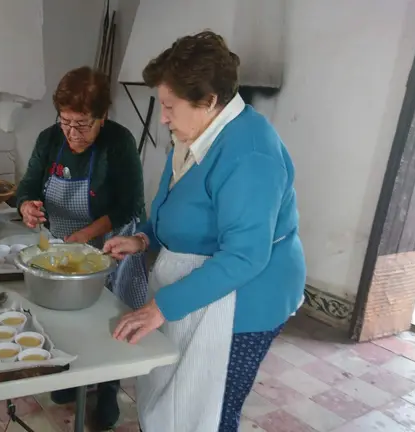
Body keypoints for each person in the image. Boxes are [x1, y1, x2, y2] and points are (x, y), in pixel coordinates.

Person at [104, 31, 306, 432]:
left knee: (209, 410)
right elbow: (178, 205)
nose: (162, 117)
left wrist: (161, 307)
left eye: (168, 106)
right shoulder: (194, 132)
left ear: (209, 101)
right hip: (197, 286)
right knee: (171, 392)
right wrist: (145, 238)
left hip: (245, 301)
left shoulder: (250, 154)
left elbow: (246, 256)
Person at [16, 66, 147, 429]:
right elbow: (27, 185)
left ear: (102, 117)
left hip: (112, 244)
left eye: (83, 124)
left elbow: (129, 204)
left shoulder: (118, 143)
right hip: (62, 242)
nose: (73, 133)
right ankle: (72, 375)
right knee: (67, 315)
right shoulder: (48, 140)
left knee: (108, 320)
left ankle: (108, 387)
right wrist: (26, 205)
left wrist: (89, 234)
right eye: (66, 123)